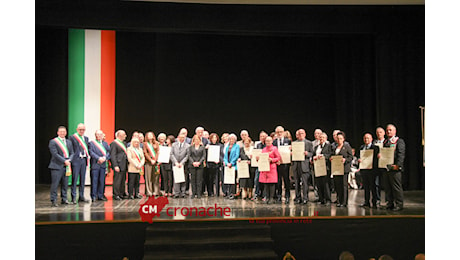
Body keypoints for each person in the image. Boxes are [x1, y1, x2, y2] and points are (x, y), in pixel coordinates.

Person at [381, 124, 405, 211]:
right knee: (387, 187)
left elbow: (401, 154)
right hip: (386, 168)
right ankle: (390, 203)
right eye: (387, 130)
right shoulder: (385, 142)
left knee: (396, 187)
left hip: (395, 168)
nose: (388, 131)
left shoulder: (399, 141)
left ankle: (399, 204)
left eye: (390, 130)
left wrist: (398, 165)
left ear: (395, 131)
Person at [48, 126, 74, 206]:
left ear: (66, 132)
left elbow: (72, 153)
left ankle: (64, 199)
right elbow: (55, 154)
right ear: (58, 133)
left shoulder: (69, 142)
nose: (63, 133)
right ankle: (54, 200)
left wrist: (69, 160)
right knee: (55, 184)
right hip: (56, 166)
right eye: (61, 131)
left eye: (64, 131)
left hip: (66, 166)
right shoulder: (53, 142)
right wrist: (64, 161)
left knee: (65, 184)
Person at [69, 123, 90, 203]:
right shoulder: (73, 137)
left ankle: (81, 196)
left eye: (83, 130)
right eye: (80, 129)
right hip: (76, 160)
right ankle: (73, 197)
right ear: (77, 129)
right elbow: (71, 149)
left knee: (82, 179)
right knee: (74, 179)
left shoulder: (86, 138)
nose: (82, 131)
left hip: (83, 160)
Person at [357, 133, 380, 208]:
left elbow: (377, 159)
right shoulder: (361, 147)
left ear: (371, 139)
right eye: (365, 138)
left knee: (373, 186)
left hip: (372, 170)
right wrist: (359, 160)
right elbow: (359, 157)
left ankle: (375, 202)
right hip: (364, 170)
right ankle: (366, 201)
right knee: (366, 187)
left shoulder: (375, 148)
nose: (366, 140)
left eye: (368, 138)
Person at [291, 129, 314, 204]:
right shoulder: (294, 143)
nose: (300, 135)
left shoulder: (309, 143)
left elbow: (312, 154)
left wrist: (307, 154)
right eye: (299, 133)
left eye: (302, 133)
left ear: (305, 134)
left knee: (305, 183)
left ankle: (305, 198)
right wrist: (291, 153)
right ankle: (298, 197)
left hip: (305, 165)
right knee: (297, 183)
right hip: (296, 165)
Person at [331, 131, 353, 207]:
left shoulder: (346, 147)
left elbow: (350, 157)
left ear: (343, 139)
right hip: (336, 169)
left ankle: (344, 202)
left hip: (344, 169)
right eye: (338, 138)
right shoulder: (334, 147)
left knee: (344, 185)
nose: (339, 140)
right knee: (338, 185)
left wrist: (345, 160)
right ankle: (339, 201)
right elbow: (332, 155)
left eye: (340, 138)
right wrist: (331, 158)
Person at [89, 129, 111, 202]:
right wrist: (98, 158)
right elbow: (91, 152)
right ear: (95, 135)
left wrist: (104, 158)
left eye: (100, 134)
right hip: (95, 164)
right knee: (94, 181)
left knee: (102, 181)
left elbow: (109, 152)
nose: (99, 136)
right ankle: (93, 196)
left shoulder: (105, 143)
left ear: (102, 135)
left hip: (103, 165)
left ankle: (100, 195)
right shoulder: (92, 143)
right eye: (98, 134)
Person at [258, 136, 281, 204]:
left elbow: (278, 157)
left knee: (271, 184)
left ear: (271, 141)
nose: (268, 142)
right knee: (266, 184)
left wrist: (272, 160)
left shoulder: (274, 148)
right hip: (265, 168)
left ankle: (271, 198)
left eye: (269, 141)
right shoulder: (264, 149)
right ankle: (267, 197)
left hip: (272, 168)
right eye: (266, 141)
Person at [273, 126, 292, 203]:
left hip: (286, 164)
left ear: (283, 132)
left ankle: (287, 195)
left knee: (286, 180)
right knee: (278, 180)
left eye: (281, 132)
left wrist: (291, 151)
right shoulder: (274, 142)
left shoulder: (288, 141)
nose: (279, 133)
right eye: (278, 132)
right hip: (277, 164)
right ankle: (279, 195)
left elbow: (292, 151)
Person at [312, 132, 332, 205]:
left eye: (323, 138)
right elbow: (313, 155)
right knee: (319, 184)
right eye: (320, 138)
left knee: (326, 184)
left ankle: (328, 199)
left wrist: (322, 156)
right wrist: (313, 158)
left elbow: (330, 154)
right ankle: (321, 199)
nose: (321, 139)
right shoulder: (316, 147)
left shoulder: (328, 146)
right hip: (317, 167)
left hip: (325, 167)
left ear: (326, 139)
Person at [110, 130, 129, 200]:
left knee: (123, 180)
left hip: (124, 164)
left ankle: (121, 193)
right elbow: (113, 155)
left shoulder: (124, 143)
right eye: (124, 135)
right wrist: (115, 165)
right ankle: (116, 194)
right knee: (117, 180)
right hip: (118, 164)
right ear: (120, 135)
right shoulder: (114, 143)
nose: (125, 136)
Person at [170, 133, 190, 198]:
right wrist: (175, 162)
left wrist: (182, 163)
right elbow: (171, 154)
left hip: (183, 165)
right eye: (180, 137)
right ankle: (176, 193)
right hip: (175, 164)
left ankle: (183, 192)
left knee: (183, 179)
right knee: (176, 179)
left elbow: (187, 155)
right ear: (178, 138)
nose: (181, 139)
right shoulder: (173, 145)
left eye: (183, 138)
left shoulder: (187, 146)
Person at [223, 134, 240, 199]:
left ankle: (233, 193)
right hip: (228, 166)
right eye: (230, 139)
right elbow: (225, 157)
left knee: (233, 180)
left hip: (233, 166)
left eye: (233, 139)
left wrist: (231, 163)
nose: (231, 140)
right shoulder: (227, 147)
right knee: (228, 180)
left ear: (235, 140)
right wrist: (227, 163)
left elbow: (237, 155)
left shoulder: (237, 146)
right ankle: (228, 193)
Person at [373, 126, 386, 207]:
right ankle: (377, 200)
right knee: (376, 184)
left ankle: (388, 201)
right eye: (377, 132)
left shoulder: (387, 142)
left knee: (386, 184)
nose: (379, 134)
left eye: (380, 132)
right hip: (376, 166)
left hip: (385, 166)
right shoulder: (374, 143)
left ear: (384, 133)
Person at [143, 131, 160, 197]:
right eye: (148, 135)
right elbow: (145, 153)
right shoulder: (145, 144)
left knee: (155, 177)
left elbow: (158, 152)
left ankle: (155, 191)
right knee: (148, 177)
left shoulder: (156, 143)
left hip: (155, 163)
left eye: (151, 135)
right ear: (146, 136)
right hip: (148, 163)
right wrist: (151, 160)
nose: (150, 136)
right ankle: (149, 191)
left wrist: (155, 160)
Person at [254, 131, 268, 200]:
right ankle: (257, 193)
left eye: (263, 136)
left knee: (265, 180)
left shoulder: (267, 145)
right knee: (257, 179)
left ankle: (265, 194)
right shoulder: (258, 145)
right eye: (261, 136)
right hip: (259, 165)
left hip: (266, 165)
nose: (262, 138)